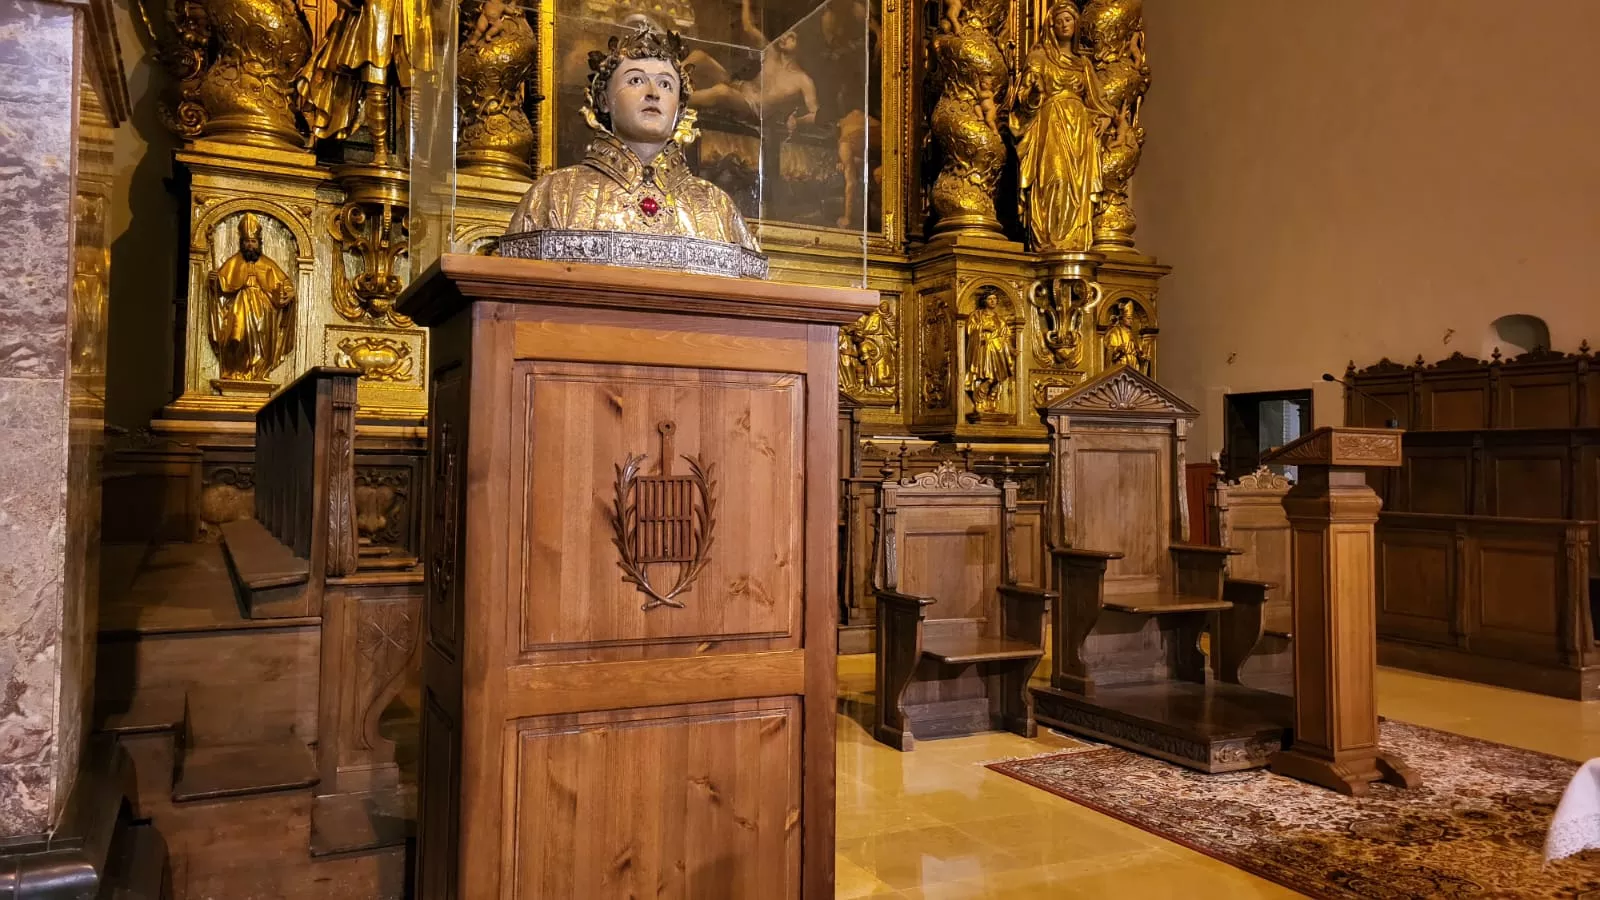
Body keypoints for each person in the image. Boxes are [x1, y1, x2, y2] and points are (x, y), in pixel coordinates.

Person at [506, 26, 758, 252]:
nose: (653, 94)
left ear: (680, 108)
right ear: (604, 100)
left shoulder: (718, 207)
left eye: (666, 84)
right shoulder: (554, 193)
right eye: (636, 80)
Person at [1009, 0, 1112, 251]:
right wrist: (1033, 94)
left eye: (1069, 19)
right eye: (1059, 21)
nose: (1065, 24)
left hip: (1080, 132)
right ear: (1051, 26)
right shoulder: (1039, 58)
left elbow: (1099, 102)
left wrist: (1105, 117)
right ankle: (1048, 241)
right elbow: (1022, 101)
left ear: (1076, 25)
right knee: (1054, 180)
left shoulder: (1083, 65)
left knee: (1077, 187)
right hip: (1051, 125)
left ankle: (1074, 242)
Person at [207, 214, 297, 381]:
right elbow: (222, 284)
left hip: (264, 309)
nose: (250, 245)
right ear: (242, 243)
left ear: (259, 244)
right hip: (240, 305)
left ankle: (258, 372)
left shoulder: (267, 264)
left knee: (262, 341)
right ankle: (236, 370)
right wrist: (216, 281)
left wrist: (289, 292)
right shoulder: (234, 262)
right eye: (247, 242)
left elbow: (284, 283)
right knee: (237, 336)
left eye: (253, 242)